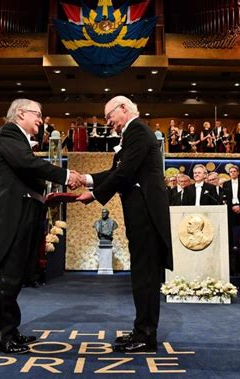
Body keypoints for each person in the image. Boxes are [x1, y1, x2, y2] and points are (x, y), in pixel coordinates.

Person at [0, 98, 82, 354]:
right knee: (6, 277)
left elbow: (27, 171)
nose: (41, 119)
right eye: (38, 114)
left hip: (21, 213)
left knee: (14, 277)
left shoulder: (20, 140)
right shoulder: (9, 132)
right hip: (9, 216)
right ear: (21, 113)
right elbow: (28, 164)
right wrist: (67, 176)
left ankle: (10, 331)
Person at [77, 95, 173, 353]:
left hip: (147, 217)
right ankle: (141, 330)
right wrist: (84, 178)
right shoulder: (133, 134)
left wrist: (95, 195)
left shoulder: (138, 131)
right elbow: (116, 172)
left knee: (146, 277)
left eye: (110, 116)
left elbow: (124, 173)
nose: (109, 123)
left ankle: (146, 336)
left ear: (123, 109)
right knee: (142, 275)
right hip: (141, 216)